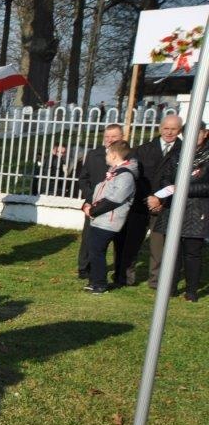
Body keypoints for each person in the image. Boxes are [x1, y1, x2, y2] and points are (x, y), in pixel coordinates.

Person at [146, 121, 209, 301]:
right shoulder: (177, 155)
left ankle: (191, 291)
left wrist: (183, 188)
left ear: (205, 134)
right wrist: (169, 189)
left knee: (192, 252)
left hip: (197, 210)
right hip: (173, 208)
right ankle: (169, 287)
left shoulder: (207, 156)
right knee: (171, 251)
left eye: (197, 133)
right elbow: (166, 177)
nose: (193, 137)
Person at [133, 114, 183, 288]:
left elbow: (179, 181)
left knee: (158, 246)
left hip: (164, 206)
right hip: (141, 203)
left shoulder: (184, 151)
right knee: (132, 242)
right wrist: (148, 198)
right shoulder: (144, 149)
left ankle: (155, 281)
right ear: (160, 128)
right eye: (166, 128)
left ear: (179, 130)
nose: (169, 132)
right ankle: (125, 276)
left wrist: (160, 200)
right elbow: (135, 176)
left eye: (173, 129)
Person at [82, 140, 136, 294]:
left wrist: (93, 211)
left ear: (113, 155)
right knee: (94, 250)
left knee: (97, 251)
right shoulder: (115, 172)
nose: (105, 156)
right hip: (101, 218)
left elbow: (114, 199)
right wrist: (89, 204)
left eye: (107, 153)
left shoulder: (125, 175)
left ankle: (100, 284)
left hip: (109, 220)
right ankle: (94, 280)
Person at [75, 124, 124, 280]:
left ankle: (120, 271)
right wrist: (91, 199)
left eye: (114, 136)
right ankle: (84, 267)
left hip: (116, 206)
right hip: (93, 204)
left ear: (121, 137)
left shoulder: (128, 156)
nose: (110, 140)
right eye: (107, 136)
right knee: (88, 237)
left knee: (118, 240)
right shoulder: (94, 154)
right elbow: (83, 179)